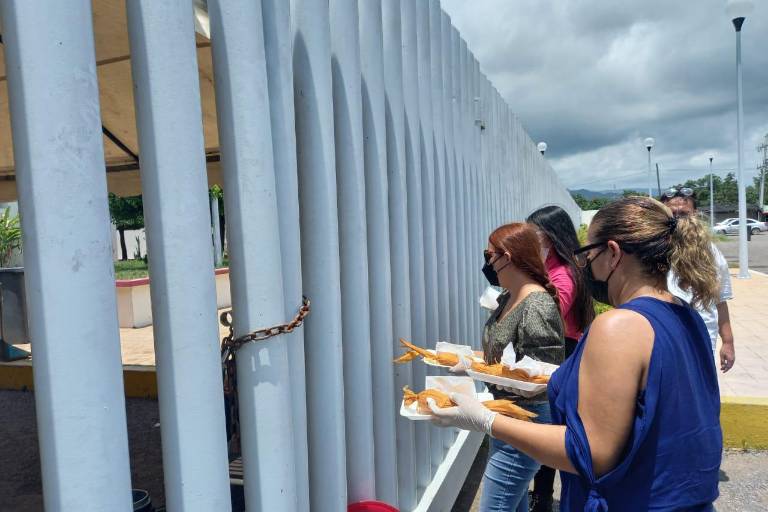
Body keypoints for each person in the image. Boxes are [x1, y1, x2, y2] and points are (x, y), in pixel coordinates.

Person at [430, 197, 722, 511]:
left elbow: (591, 453)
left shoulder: (620, 325)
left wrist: (484, 419)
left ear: (613, 253)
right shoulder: (685, 313)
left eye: (588, 253)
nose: (584, 265)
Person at [477, 222, 565, 512]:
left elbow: (543, 376)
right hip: (506, 414)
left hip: (527, 419)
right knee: (512, 506)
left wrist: (490, 373)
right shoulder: (508, 297)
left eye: (489, 255)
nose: (487, 263)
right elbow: (507, 358)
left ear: (507, 257)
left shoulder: (536, 305)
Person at [526, 205, 595, 512]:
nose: (529, 240)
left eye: (533, 234)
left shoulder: (563, 274)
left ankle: (541, 499)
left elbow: (550, 317)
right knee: (549, 425)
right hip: (559, 351)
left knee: (549, 427)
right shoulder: (554, 269)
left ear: (550, 238)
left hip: (561, 353)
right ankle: (541, 496)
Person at [661, 187, 736, 372]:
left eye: (684, 214)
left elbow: (720, 301)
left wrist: (728, 342)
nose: (678, 219)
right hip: (662, 337)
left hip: (701, 338)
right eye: (673, 214)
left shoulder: (711, 253)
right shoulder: (650, 250)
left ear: (695, 214)